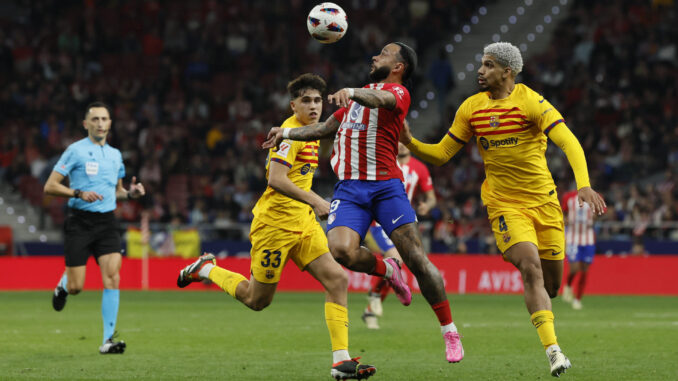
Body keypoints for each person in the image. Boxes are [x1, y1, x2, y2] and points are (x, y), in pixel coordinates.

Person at [399, 42, 606, 377]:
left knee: (551, 285)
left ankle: (544, 308)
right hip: (504, 204)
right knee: (530, 268)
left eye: (488, 65)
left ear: (507, 71)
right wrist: (410, 142)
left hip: (545, 204)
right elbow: (441, 154)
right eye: (481, 64)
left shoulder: (532, 102)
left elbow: (568, 140)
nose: (480, 71)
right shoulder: (471, 108)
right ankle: (554, 351)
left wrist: (583, 183)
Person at [263, 42, 464, 363]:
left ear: (398, 66)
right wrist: (285, 134)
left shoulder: (397, 94)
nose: (375, 56)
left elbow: (380, 98)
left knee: (417, 258)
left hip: (386, 187)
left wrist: (353, 92)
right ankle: (388, 270)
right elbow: (325, 128)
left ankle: (449, 330)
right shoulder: (357, 97)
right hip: (349, 190)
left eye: (383, 54)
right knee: (341, 251)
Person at [176, 74, 376, 380]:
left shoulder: (311, 132)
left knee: (337, 279)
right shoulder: (290, 133)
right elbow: (276, 180)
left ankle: (341, 361)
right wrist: (317, 201)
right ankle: (206, 269)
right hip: (275, 226)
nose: (313, 106)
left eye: (317, 100)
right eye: (306, 100)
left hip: (304, 225)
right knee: (257, 300)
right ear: (293, 104)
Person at [45, 101, 146, 354]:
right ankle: (63, 286)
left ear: (110, 124)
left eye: (104, 119)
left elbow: (117, 193)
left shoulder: (116, 155)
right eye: (95, 120)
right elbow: (50, 186)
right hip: (79, 221)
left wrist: (131, 194)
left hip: (106, 223)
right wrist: (77, 192)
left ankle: (108, 340)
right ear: (86, 124)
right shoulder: (75, 151)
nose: (100, 124)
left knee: (112, 276)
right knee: (78, 286)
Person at [362, 143, 436, 329]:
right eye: (397, 141)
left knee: (395, 269)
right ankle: (374, 294)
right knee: (394, 259)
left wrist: (428, 205)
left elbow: (431, 197)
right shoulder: (384, 162)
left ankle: (370, 310)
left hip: (402, 222)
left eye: (404, 140)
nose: (401, 145)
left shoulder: (420, 168)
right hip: (378, 222)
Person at [561, 188, 596, 310]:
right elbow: (563, 212)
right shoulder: (569, 197)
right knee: (574, 268)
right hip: (573, 238)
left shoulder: (594, 195)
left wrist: (595, 217)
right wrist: (565, 220)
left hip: (588, 238)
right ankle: (568, 285)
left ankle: (577, 299)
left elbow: (601, 211)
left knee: (585, 271)